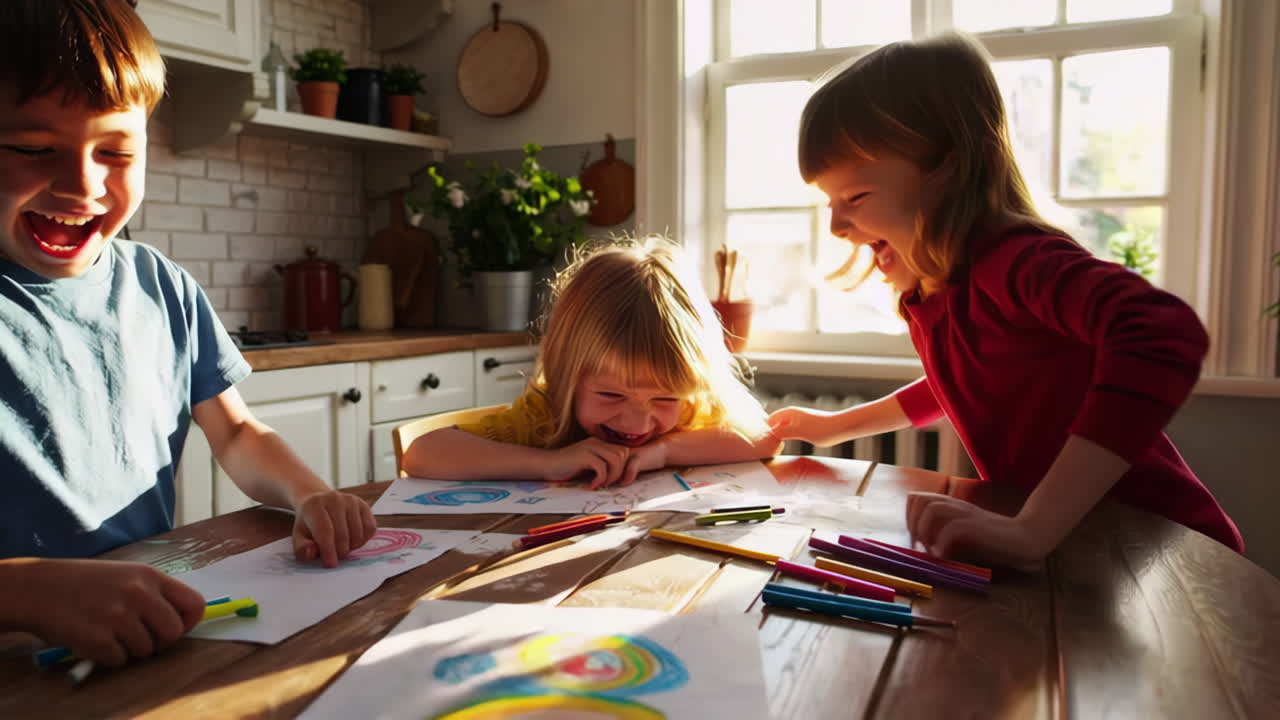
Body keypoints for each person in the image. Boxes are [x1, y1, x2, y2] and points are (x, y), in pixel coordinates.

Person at [768, 32, 1243, 571]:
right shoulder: (942, 293)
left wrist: (1032, 529)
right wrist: (835, 426)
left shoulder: (1015, 259)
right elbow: (956, 382)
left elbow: (1160, 330)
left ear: (949, 173)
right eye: (829, 201)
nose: (836, 226)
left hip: (1162, 547)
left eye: (855, 197)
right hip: (1087, 548)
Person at [0, 0, 376, 668]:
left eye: (116, 152)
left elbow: (236, 432)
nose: (83, 183)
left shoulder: (162, 286)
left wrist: (310, 493)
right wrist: (26, 592)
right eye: (33, 149)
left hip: (140, 641)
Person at [403, 236, 780, 487]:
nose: (636, 423)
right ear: (566, 374)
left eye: (665, 399)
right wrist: (549, 463)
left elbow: (767, 437)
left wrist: (665, 450)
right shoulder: (545, 416)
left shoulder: (691, 410)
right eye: (612, 395)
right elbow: (421, 454)